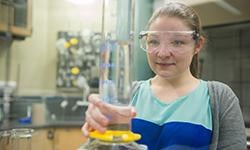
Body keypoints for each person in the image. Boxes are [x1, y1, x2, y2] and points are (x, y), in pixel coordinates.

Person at [82, 2, 247, 150]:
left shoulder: (219, 98)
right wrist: (97, 129)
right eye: (154, 41)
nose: (162, 53)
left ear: (197, 45)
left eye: (177, 42)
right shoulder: (128, 95)